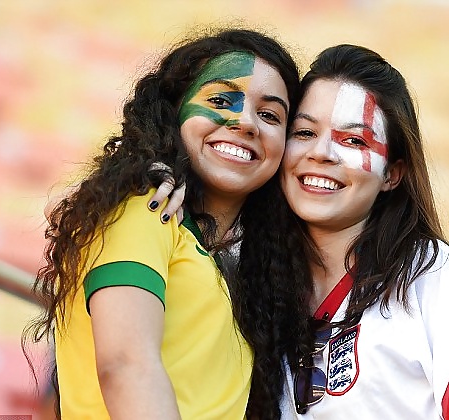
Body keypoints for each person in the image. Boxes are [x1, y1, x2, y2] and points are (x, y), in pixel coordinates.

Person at [24, 28, 308, 419]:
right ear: (173, 111)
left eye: (270, 115)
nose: (246, 122)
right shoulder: (145, 208)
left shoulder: (242, 275)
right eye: (221, 99)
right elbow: (126, 366)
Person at [274, 44, 449, 419]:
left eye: (354, 140)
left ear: (392, 174)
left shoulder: (423, 267)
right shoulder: (253, 273)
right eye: (304, 131)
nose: (321, 153)